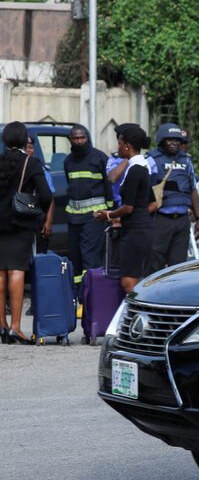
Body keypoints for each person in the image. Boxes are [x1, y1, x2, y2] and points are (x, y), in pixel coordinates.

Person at [0, 122, 53, 344]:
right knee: (16, 270)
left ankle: (1, 326)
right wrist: (38, 214)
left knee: (0, 272)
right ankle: (15, 327)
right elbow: (46, 195)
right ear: (25, 141)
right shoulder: (31, 163)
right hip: (20, 224)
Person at [93, 127, 155, 293]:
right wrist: (120, 218)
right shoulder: (142, 166)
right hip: (140, 227)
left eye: (119, 143)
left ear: (127, 146)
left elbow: (128, 207)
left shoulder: (136, 169)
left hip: (136, 231)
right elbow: (152, 203)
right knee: (137, 279)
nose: (118, 147)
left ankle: (138, 309)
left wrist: (108, 214)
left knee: (128, 282)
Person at [63, 124, 112, 287]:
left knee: (89, 256)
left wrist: (109, 212)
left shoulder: (100, 158)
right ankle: (78, 293)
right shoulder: (68, 161)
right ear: (70, 140)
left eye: (82, 138)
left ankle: (92, 293)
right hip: (73, 217)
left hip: (94, 216)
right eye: (75, 138)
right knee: (75, 256)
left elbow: (109, 186)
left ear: (87, 138)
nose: (79, 141)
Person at [148, 123, 199, 270]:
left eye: (177, 140)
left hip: (182, 221)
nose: (175, 143)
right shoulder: (152, 160)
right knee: (155, 265)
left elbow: (192, 190)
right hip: (160, 220)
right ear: (161, 140)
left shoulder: (186, 160)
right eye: (170, 139)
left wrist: (198, 218)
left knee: (178, 267)